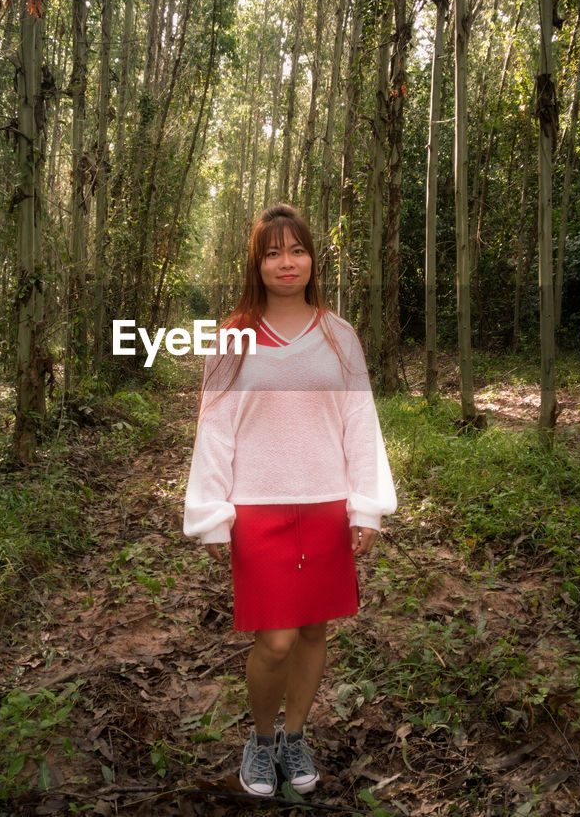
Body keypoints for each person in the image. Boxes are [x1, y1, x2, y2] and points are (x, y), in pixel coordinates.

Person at [183, 203, 397, 797]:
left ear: (310, 259)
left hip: (327, 503)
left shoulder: (339, 335)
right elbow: (216, 425)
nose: (286, 262)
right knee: (273, 639)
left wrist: (366, 504)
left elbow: (360, 421)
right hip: (258, 508)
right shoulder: (232, 338)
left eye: (296, 249)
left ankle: (294, 736)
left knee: (312, 633)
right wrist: (213, 512)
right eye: (273, 251)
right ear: (257, 262)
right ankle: (259, 739)